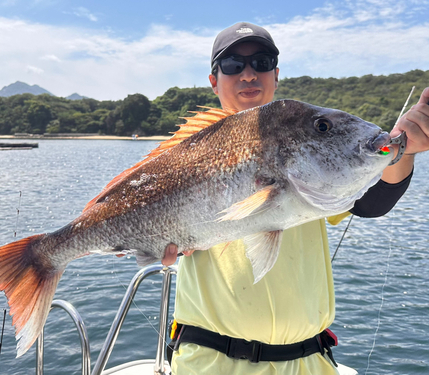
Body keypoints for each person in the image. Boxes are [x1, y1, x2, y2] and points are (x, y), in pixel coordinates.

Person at [159, 22, 429, 374]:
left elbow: (371, 202)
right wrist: (161, 240)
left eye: (262, 61)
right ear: (214, 80)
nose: (248, 74)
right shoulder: (185, 154)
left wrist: (402, 149)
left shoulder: (305, 144)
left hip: (308, 363)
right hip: (210, 362)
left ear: (276, 74)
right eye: (233, 65)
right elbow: (151, 211)